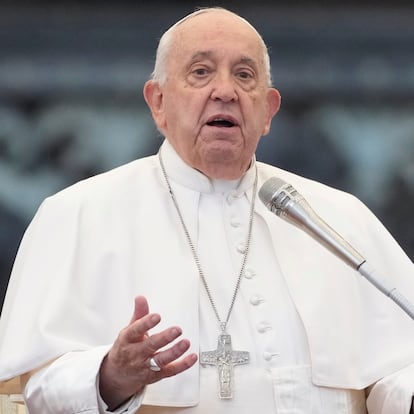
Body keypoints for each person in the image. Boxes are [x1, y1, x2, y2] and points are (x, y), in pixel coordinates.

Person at [1, 6, 414, 414]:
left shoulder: (339, 217)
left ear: (268, 110)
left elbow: (397, 368)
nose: (225, 91)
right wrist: (110, 375)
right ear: (158, 101)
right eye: (200, 72)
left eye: (244, 75)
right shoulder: (78, 214)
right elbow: (38, 389)